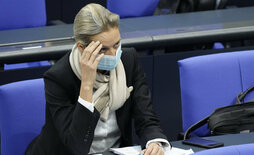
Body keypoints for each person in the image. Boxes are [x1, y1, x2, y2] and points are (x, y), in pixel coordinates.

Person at [26, 3, 170, 155]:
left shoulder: (128, 61)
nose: (113, 54)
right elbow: (76, 146)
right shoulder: (58, 77)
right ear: (82, 48)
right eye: (102, 49)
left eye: (116, 44)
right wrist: (87, 85)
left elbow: (146, 117)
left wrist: (153, 141)